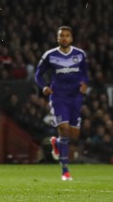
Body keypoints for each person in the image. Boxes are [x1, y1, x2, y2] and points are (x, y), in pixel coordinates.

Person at [34, 26, 88, 181]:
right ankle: (65, 171)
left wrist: (84, 83)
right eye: (61, 36)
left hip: (75, 97)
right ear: (57, 38)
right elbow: (38, 74)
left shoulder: (80, 54)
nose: (64, 38)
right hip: (58, 96)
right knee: (63, 129)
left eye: (67, 35)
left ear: (71, 38)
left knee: (74, 135)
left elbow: (85, 73)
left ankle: (56, 143)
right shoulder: (50, 55)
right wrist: (44, 86)